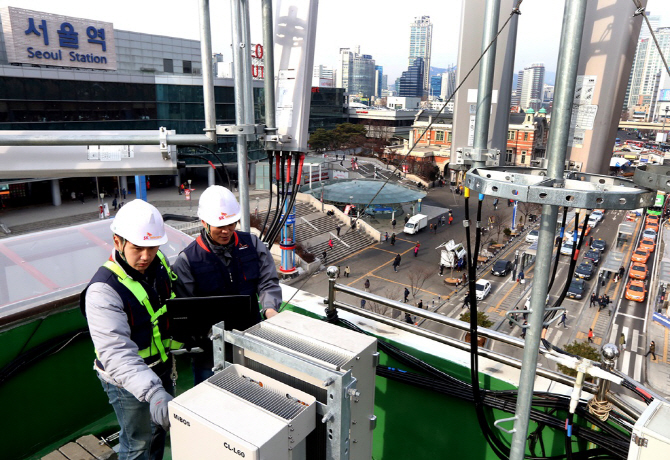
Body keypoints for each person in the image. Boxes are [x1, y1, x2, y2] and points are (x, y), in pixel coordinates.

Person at [81, 200, 179, 459]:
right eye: (138, 248)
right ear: (118, 242)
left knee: (159, 432)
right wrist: (153, 392)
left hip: (161, 366)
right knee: (136, 445)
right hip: (125, 382)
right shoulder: (103, 290)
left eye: (152, 247)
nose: (146, 256)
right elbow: (116, 353)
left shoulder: (158, 263)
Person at [172, 186, 282, 384]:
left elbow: (268, 282)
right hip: (210, 352)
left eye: (231, 224)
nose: (226, 231)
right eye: (219, 226)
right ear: (204, 222)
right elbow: (186, 309)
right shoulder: (187, 260)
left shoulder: (253, 245)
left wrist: (270, 308)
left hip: (252, 341)